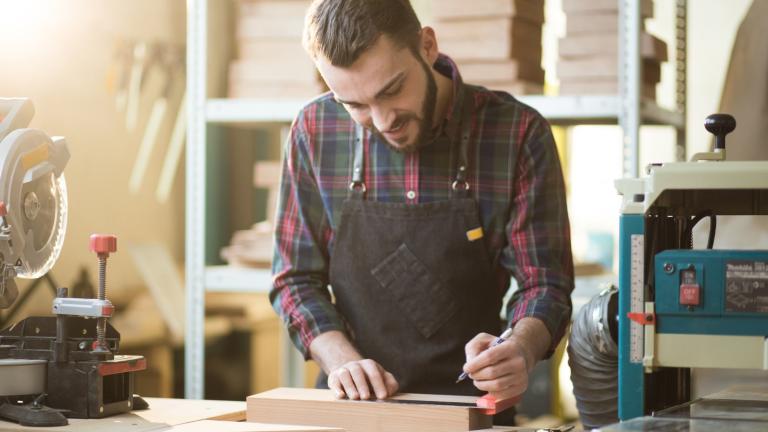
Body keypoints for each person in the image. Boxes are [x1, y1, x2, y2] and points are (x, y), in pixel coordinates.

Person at [270, 0, 573, 424]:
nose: (381, 120)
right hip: (352, 414)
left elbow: (545, 283)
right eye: (354, 104)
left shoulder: (518, 133)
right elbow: (294, 279)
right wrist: (342, 362)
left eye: (391, 90)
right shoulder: (315, 130)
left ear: (427, 45)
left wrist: (519, 346)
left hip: (469, 413)